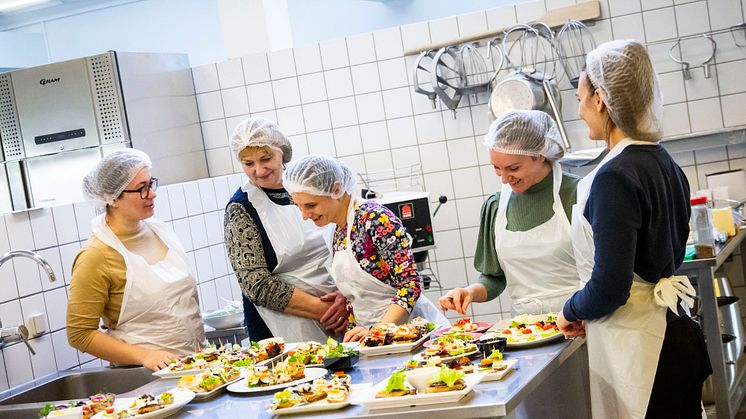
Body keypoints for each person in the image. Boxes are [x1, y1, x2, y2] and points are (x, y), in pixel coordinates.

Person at [557, 39, 711, 418]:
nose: (578, 111)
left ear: (600, 100)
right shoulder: (665, 162)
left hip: (643, 349)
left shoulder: (613, 176)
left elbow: (611, 285)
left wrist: (571, 309)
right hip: (675, 334)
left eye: (580, 98)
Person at [283, 155, 449, 342]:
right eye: (299, 207)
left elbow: (410, 284)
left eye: (311, 205)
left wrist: (378, 331)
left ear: (336, 189)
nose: (305, 216)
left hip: (409, 332)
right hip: (369, 335)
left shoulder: (374, 218)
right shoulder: (335, 229)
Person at [67, 149, 205, 371]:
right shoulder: (95, 256)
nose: (152, 194)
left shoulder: (162, 231)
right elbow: (79, 334)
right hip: (144, 375)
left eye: (151, 184)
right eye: (142, 189)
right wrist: (144, 356)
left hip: (193, 366)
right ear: (113, 198)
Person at [439, 110, 580, 316]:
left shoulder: (579, 194)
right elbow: (494, 278)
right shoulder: (496, 206)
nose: (505, 179)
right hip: (528, 330)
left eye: (513, 168)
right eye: (497, 168)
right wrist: (468, 292)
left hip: (582, 321)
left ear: (540, 155)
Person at [224, 117, 348, 343]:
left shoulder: (311, 183)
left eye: (266, 158)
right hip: (286, 329)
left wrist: (346, 296)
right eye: (248, 163)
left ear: (283, 152)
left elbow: (348, 242)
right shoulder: (241, 209)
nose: (259, 170)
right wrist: (328, 312)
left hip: (344, 310)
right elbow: (256, 284)